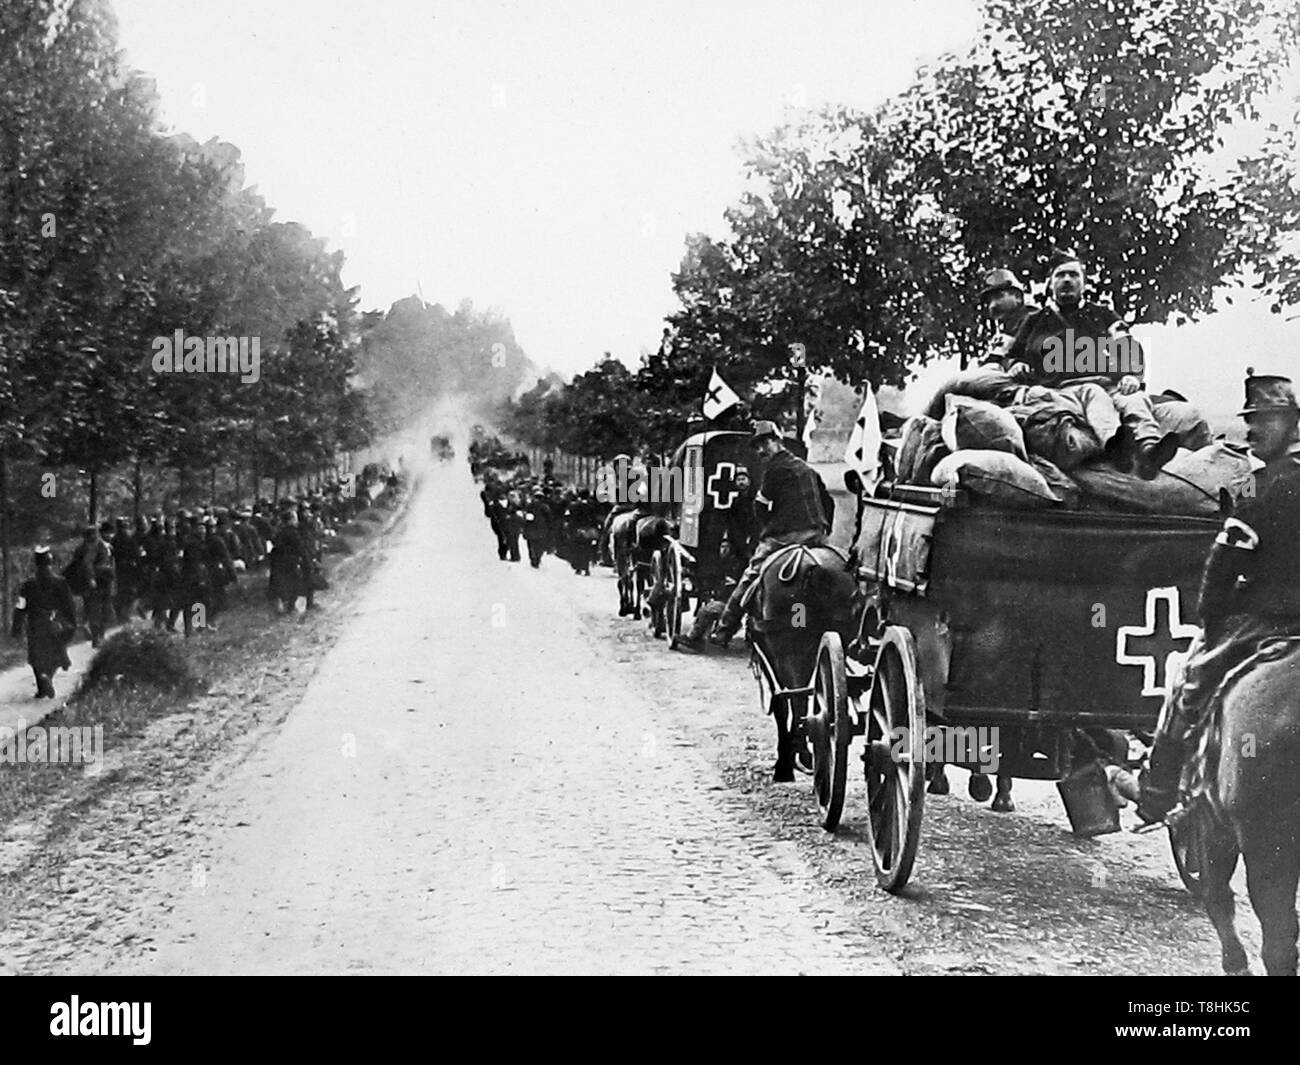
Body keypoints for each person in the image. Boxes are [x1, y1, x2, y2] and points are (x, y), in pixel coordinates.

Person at [1138, 372, 1300, 823]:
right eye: (1251, 419)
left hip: (1265, 620)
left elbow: (1222, 565)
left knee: (1188, 683)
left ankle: (1158, 792)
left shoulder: (1260, 486)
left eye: (1265, 420)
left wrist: (1210, 621)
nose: (1251, 430)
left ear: (1293, 425)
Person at [1003, 253, 1180, 479]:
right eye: (1060, 275)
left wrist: (1132, 376)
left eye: (1074, 275)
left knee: (1135, 399)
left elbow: (1127, 345)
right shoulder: (1035, 321)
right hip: (1064, 390)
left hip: (1108, 386)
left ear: (1084, 283)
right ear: (1050, 283)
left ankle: (1150, 452)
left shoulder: (1102, 314)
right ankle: (1116, 446)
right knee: (1093, 393)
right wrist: (1016, 364)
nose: (1067, 280)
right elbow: (1011, 354)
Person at [703, 422, 834, 648]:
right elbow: (828, 503)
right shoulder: (807, 469)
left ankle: (724, 629)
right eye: (758, 447)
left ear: (777, 440)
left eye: (765, 443)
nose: (762, 450)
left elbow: (760, 507)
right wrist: (823, 529)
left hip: (785, 537)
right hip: (817, 537)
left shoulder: (774, 469)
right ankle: (807, 621)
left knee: (750, 575)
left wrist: (766, 531)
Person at [11, 547, 77, 699]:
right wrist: (71, 623)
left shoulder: (27, 585)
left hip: (35, 625)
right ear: (50, 562)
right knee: (56, 654)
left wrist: (17, 627)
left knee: (36, 657)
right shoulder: (60, 582)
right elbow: (69, 606)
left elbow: (20, 607)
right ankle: (48, 678)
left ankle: (42, 680)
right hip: (55, 624)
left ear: (36, 564)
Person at [63, 523, 116, 648]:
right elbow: (85, 564)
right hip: (98, 582)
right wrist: (92, 578)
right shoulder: (98, 546)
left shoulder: (89, 547)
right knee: (98, 609)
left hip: (96, 582)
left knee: (95, 609)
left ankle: (97, 635)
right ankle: (98, 636)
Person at [978, 268, 1038, 365]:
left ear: (1017, 297)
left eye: (998, 296)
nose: (993, 305)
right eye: (989, 301)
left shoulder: (1034, 318)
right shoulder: (1007, 328)